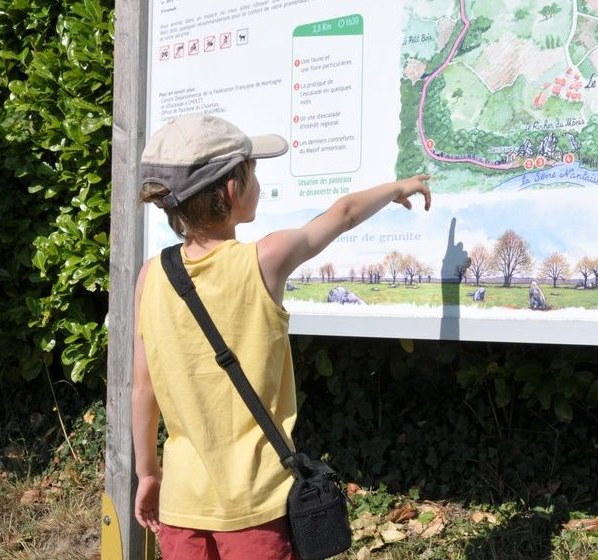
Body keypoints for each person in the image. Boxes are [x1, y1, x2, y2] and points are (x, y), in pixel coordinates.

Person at [131, 113, 431, 560]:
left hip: (181, 503)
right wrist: (396, 188)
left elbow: (143, 387)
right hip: (256, 505)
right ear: (232, 191)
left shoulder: (151, 275)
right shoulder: (264, 259)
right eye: (252, 174)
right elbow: (342, 215)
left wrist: (149, 474)